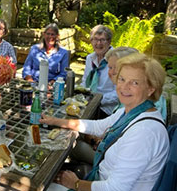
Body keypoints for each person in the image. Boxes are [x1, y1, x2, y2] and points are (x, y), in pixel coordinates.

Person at [42, 53, 169, 191]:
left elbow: (115, 188)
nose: (124, 87)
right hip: (100, 176)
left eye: (135, 82)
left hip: (105, 185)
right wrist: (56, 121)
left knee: (43, 184)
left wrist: (75, 184)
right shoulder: (133, 111)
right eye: (122, 79)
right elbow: (98, 126)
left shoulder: (144, 132)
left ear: (151, 89)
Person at [107, 47, 168, 121]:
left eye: (116, 68)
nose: (112, 72)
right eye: (110, 67)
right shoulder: (134, 95)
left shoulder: (147, 105)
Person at [81, 25, 116, 117]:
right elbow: (85, 81)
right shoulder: (90, 58)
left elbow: (120, 92)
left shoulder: (117, 59)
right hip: (88, 102)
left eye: (102, 40)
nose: (98, 43)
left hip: (107, 109)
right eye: (95, 39)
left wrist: (97, 100)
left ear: (109, 42)